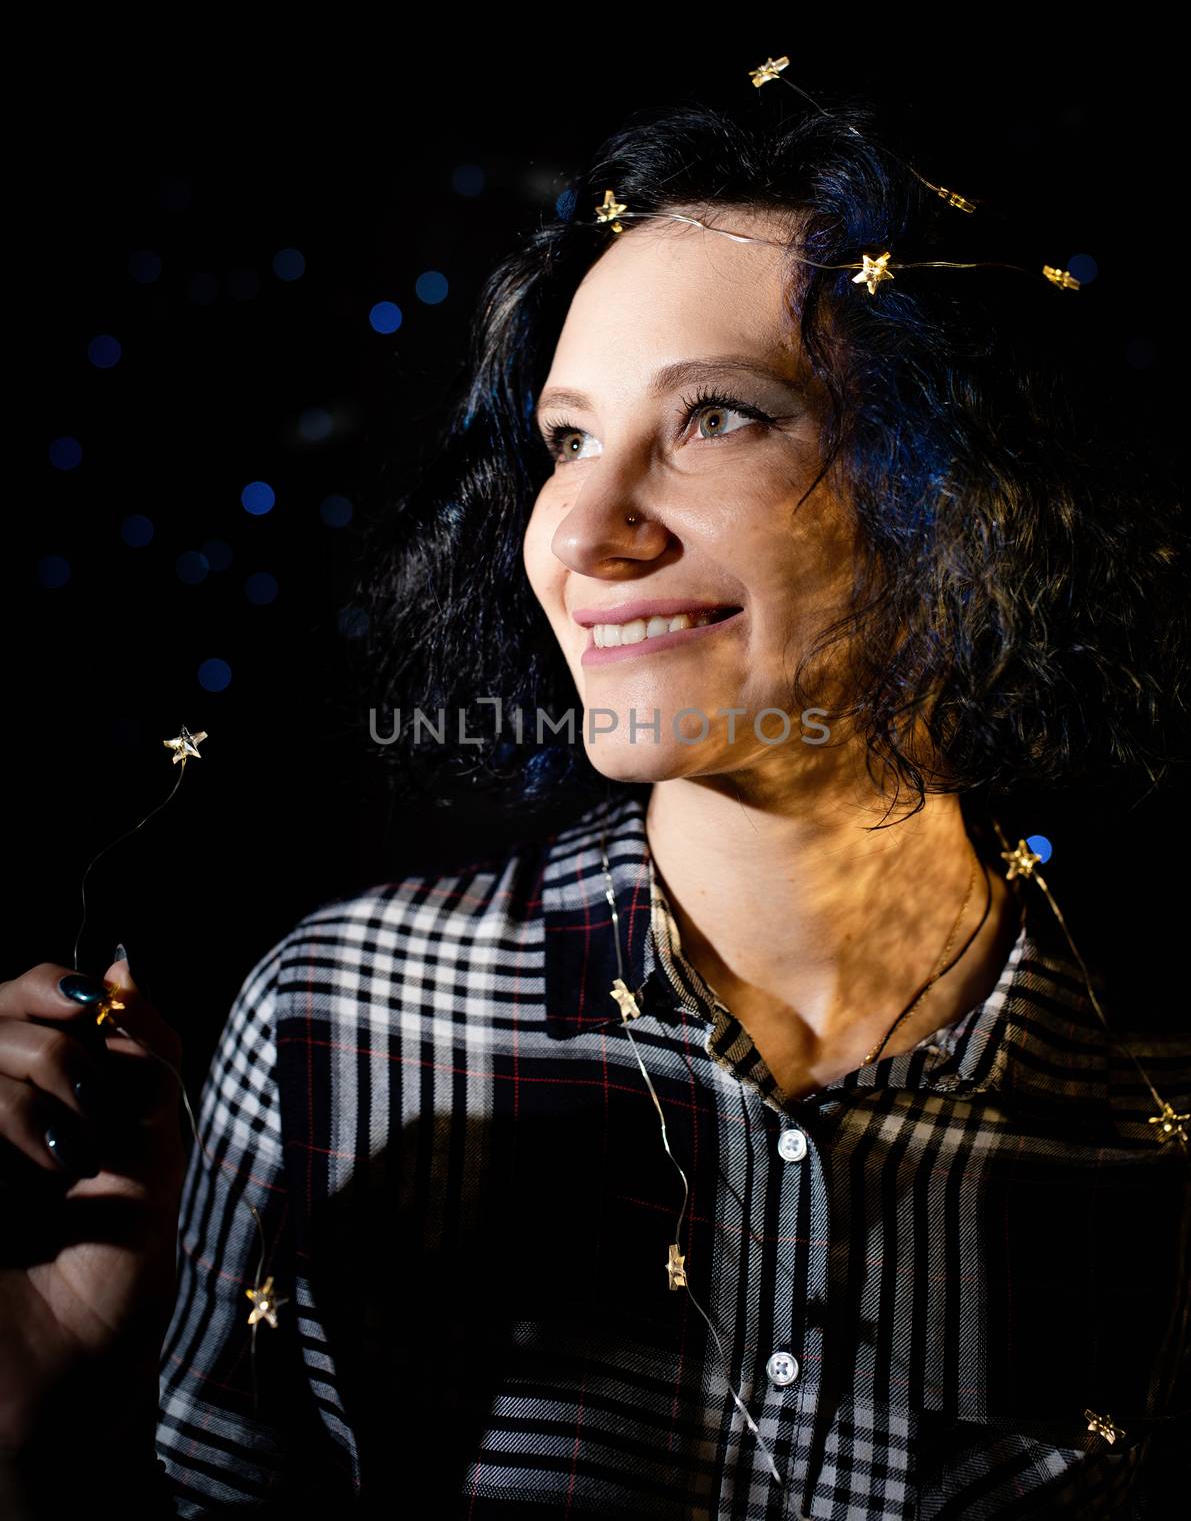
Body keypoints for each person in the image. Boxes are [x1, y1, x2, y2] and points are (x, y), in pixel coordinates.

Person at [2, 92, 1188, 1518]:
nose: (578, 529)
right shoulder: (342, 1022)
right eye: (567, 440)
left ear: (962, 497)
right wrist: (30, 1429)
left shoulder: (1153, 1121)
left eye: (718, 416)